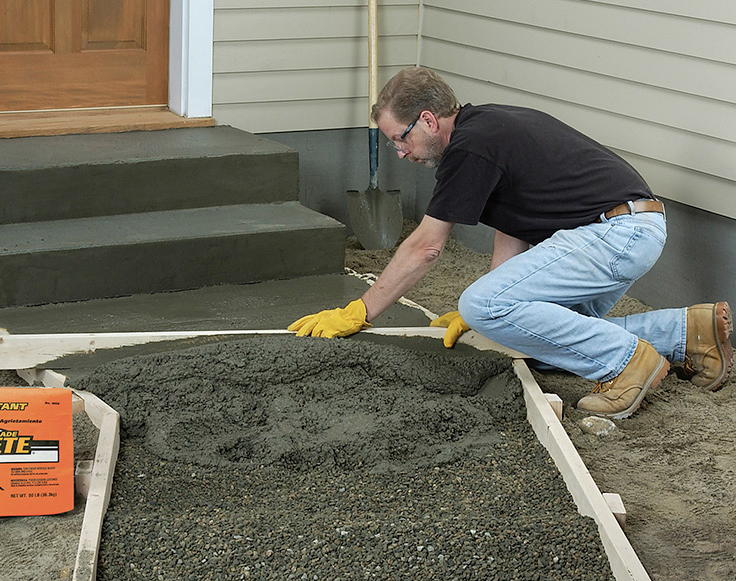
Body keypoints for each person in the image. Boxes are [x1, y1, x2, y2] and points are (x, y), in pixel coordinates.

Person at [288, 67, 732, 419]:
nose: (400, 153)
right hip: (625, 229)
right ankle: (687, 333)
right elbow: (513, 223)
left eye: (399, 139)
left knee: (483, 305)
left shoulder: (470, 147)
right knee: (534, 340)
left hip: (616, 233)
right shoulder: (485, 129)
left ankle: (627, 366)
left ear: (427, 119)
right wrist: (493, 308)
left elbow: (425, 246)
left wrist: (360, 311)